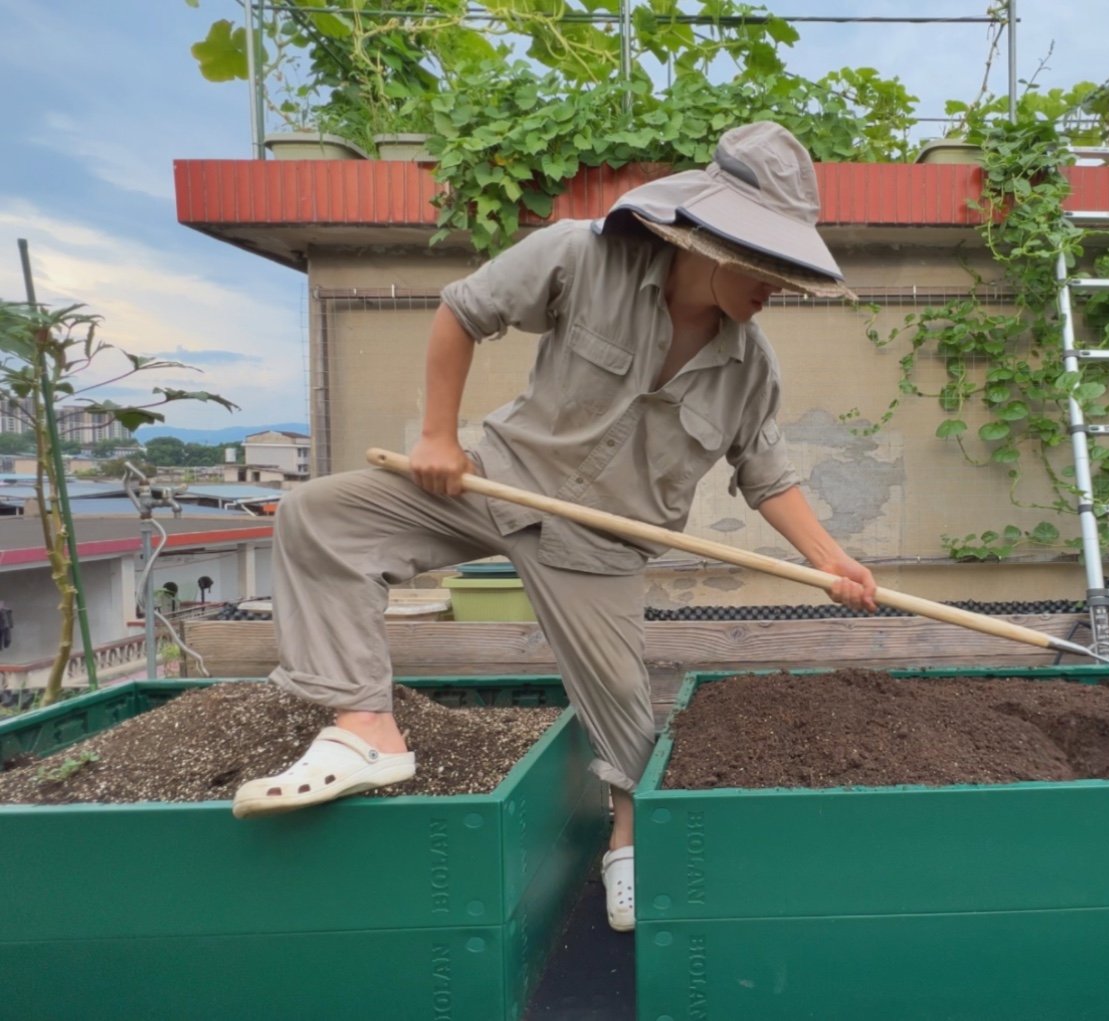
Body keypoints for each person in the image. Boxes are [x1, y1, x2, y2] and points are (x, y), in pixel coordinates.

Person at [229, 122, 879, 932]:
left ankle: (627, 849)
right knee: (318, 515)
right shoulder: (580, 254)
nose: (775, 284)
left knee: (627, 715)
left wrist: (833, 561)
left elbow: (766, 474)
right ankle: (364, 726)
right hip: (498, 480)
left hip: (600, 541)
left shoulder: (751, 368)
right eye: (765, 263)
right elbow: (463, 313)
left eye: (788, 268)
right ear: (707, 236)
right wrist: (435, 437)